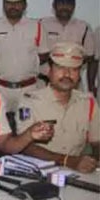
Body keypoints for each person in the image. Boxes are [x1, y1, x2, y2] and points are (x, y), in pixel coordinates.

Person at [17, 42, 99, 173]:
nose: (67, 74)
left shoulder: (88, 102)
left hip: (77, 172)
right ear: (49, 71)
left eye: (74, 69)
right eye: (61, 68)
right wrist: (67, 160)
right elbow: (25, 147)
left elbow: (97, 142)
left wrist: (93, 160)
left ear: (79, 74)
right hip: (38, 172)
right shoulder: (30, 101)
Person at [0, 0, 49, 113]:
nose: (13, 6)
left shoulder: (37, 27)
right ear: (3, 4)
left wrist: (27, 65)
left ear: (25, 4)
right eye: (9, 3)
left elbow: (44, 54)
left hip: (28, 89)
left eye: (17, 3)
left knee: (28, 123)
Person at [40, 0, 95, 90]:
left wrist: (73, 60)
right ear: (54, 5)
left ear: (74, 6)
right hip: (45, 84)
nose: (65, 7)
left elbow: (90, 57)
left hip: (73, 84)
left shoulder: (84, 27)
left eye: (69, 4)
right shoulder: (41, 24)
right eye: (61, 3)